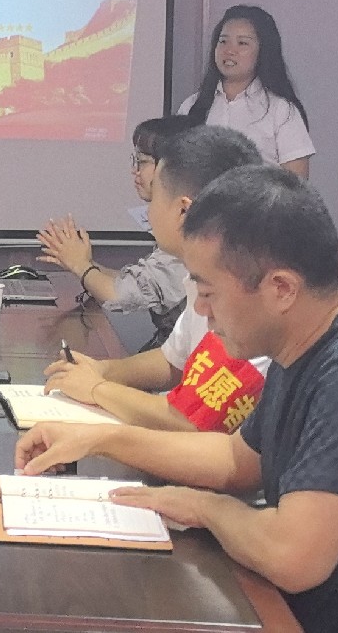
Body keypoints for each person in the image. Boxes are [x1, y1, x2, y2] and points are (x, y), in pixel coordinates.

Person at [16, 166, 338, 632]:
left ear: (281, 289)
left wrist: (206, 508)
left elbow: (291, 557)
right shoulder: (306, 344)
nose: (200, 309)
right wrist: (99, 439)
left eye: (207, 291)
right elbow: (236, 459)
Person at [43, 125, 267, 433]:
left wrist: (97, 389)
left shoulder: (249, 299)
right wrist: (102, 370)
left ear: (184, 211)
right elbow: (172, 360)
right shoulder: (203, 277)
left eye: (154, 200)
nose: (148, 213)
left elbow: (190, 421)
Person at [36, 116, 191, 341]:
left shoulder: (189, 234)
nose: (134, 171)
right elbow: (138, 280)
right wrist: (82, 263)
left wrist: (80, 265)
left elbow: (120, 296)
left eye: (142, 161)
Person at [178, 5, 314, 178]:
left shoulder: (281, 110)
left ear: (263, 51)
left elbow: (296, 185)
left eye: (242, 43)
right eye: (223, 41)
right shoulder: (191, 105)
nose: (229, 51)